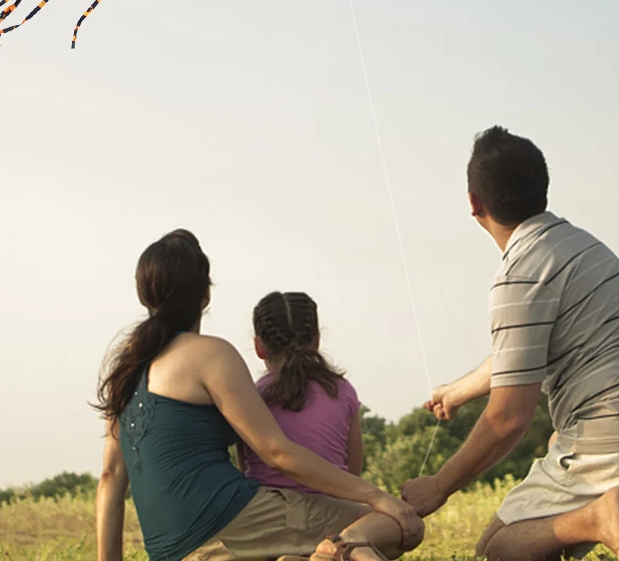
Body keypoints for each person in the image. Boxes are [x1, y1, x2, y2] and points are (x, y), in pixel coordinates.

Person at [401, 127, 619, 561]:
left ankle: (595, 517)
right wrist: (454, 393)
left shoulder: (519, 274)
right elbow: (515, 357)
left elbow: (507, 420)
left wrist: (438, 486)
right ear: (543, 189)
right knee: (558, 459)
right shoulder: (580, 245)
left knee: (497, 551)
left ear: (474, 202)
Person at [94, 230, 423, 561]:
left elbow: (111, 477)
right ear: (205, 295)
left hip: (174, 551)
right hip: (236, 519)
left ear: (144, 295)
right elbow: (276, 452)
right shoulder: (210, 355)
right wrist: (376, 496)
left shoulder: (124, 368)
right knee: (395, 524)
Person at [238, 291, 363, 492]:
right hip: (334, 510)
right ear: (317, 341)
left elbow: (245, 466)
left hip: (268, 512)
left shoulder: (251, 396)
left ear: (258, 347)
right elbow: (353, 472)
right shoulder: (342, 391)